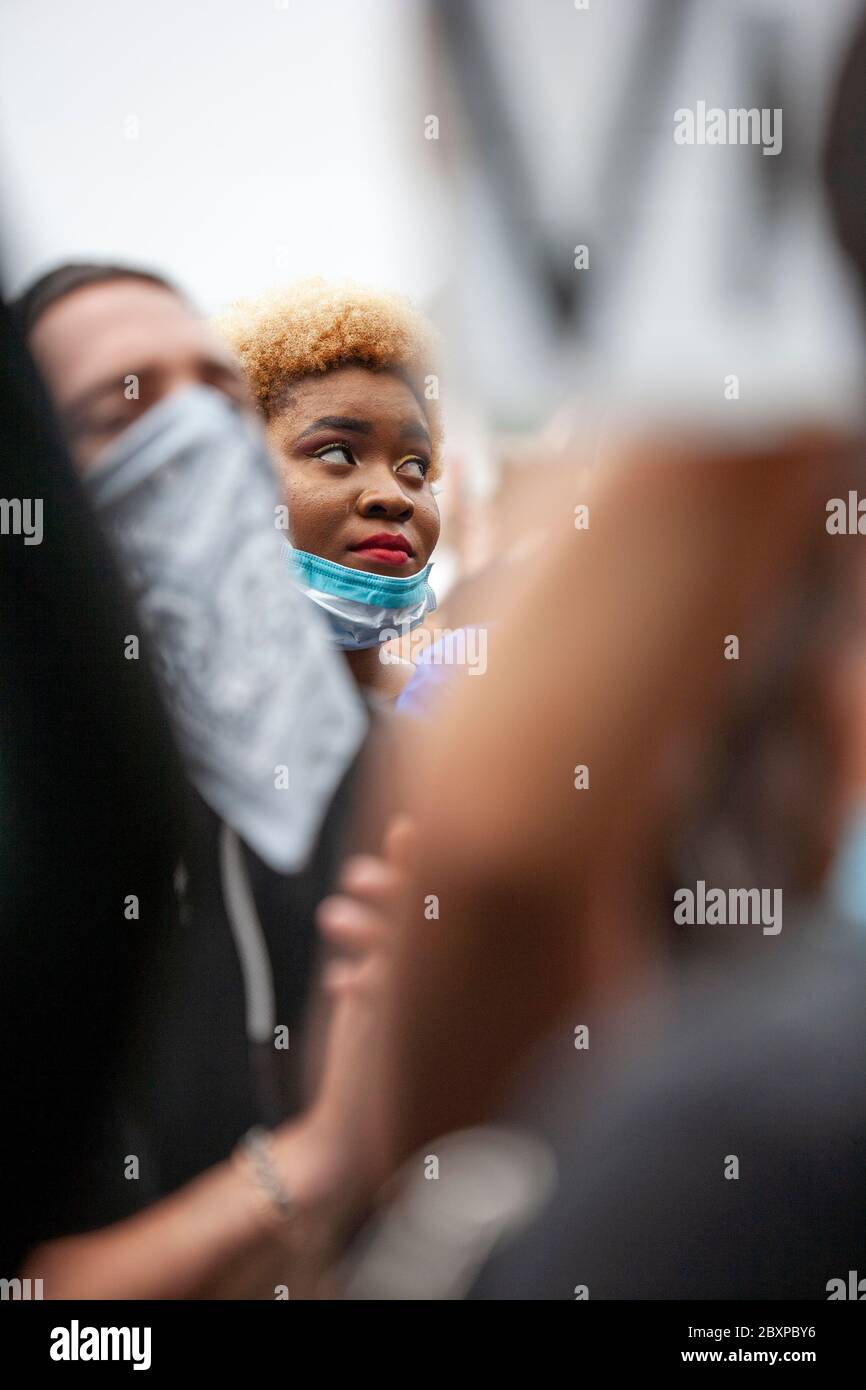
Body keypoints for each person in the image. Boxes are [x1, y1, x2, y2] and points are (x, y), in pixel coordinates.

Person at [10, 262, 397, 1296]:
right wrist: (315, 1160)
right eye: (121, 406)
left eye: (222, 400)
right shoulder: (34, 840)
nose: (196, 440)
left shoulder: (374, 775)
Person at [214, 279, 442, 702]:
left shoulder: (488, 711)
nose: (393, 497)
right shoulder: (167, 722)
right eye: (336, 454)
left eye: (414, 466)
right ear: (235, 474)